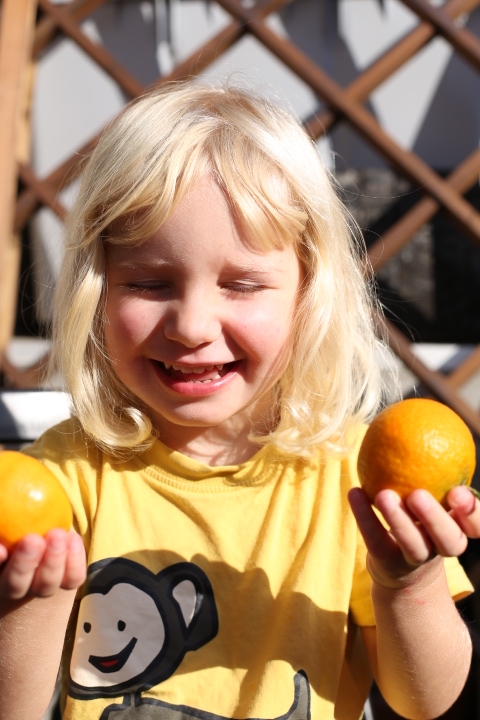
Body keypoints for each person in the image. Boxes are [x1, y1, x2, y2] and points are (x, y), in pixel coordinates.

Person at [0, 82, 478, 720]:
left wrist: (410, 583)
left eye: (243, 284)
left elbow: (425, 700)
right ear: (98, 291)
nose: (192, 326)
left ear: (308, 295)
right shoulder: (63, 481)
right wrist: (27, 604)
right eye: (150, 283)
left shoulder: (356, 479)